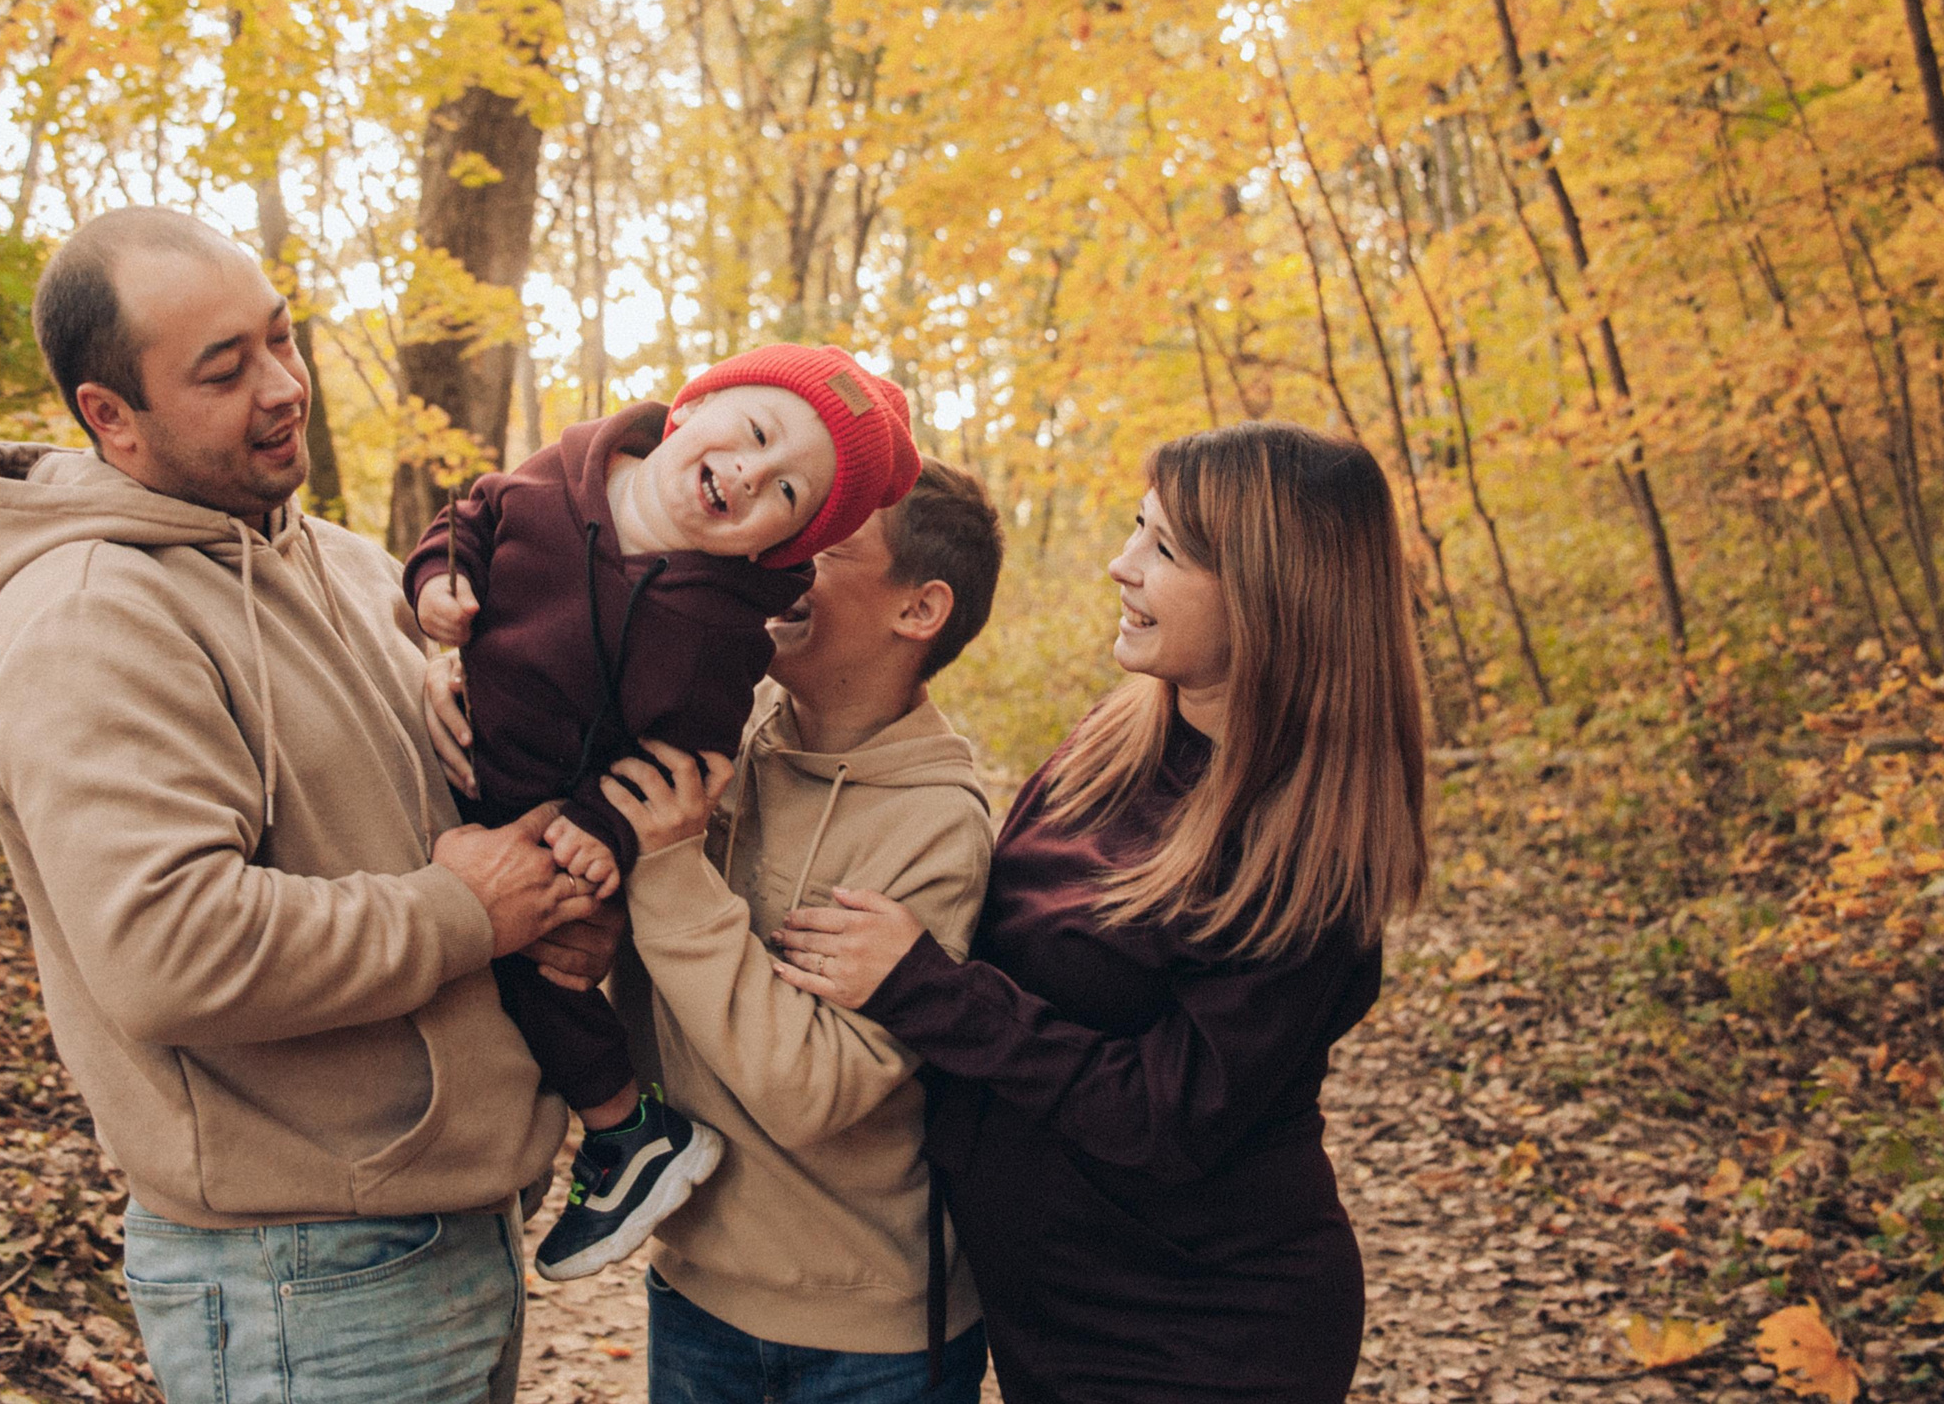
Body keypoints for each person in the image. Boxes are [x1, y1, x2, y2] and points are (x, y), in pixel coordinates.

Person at [0, 207, 602, 1404]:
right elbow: (170, 950)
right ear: (111, 417)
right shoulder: (92, 615)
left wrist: (556, 898)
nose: (282, 386)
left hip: (438, 1228)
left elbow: (441, 839)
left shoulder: (351, 566)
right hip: (301, 1273)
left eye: (282, 339)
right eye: (223, 368)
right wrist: (465, 912)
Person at [773, 422, 1430, 1404]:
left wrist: (924, 989)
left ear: (1271, 593)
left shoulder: (1306, 860)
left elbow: (1165, 1116)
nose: (1121, 565)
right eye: (1137, 527)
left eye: (1164, 549)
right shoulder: (1113, 737)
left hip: (1203, 1335)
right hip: (1041, 1302)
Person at [429, 460, 1007, 1403]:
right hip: (696, 1290)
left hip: (866, 1334)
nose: (781, 558)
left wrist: (664, 869)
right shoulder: (722, 731)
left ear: (920, 609)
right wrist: (456, 682)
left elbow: (812, 1087)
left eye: (826, 548)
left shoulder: (936, 824)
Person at [402, 343, 923, 1281]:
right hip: (452, 778)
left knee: (541, 974)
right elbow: (466, 518)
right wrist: (436, 585)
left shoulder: (718, 628)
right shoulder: (555, 477)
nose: (753, 472)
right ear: (692, 407)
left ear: (779, 547)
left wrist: (601, 827)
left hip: (547, 819)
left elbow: (688, 760)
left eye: (788, 493)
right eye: (757, 432)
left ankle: (627, 1132)